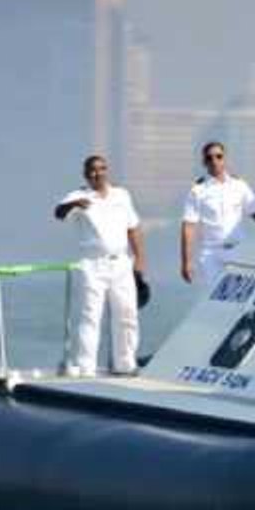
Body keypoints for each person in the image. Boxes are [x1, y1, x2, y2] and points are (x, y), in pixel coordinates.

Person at [55, 154, 146, 377]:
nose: (98, 173)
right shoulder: (78, 195)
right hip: (92, 264)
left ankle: (125, 363)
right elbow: (58, 214)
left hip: (121, 262)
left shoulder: (122, 195)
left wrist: (140, 258)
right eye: (93, 170)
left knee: (127, 313)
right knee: (91, 315)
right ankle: (86, 366)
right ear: (86, 174)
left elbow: (132, 227)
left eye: (102, 169)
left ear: (107, 171)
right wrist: (74, 204)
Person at [180, 142, 255, 286]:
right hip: (211, 255)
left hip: (238, 250)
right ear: (204, 162)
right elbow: (188, 227)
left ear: (225, 159)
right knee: (214, 295)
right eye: (209, 158)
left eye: (218, 156)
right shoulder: (197, 190)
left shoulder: (239, 185)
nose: (214, 161)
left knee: (239, 294)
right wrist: (187, 262)